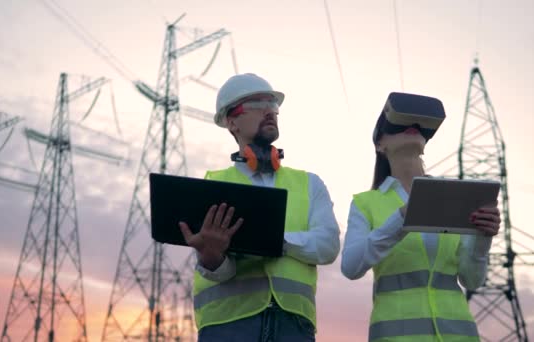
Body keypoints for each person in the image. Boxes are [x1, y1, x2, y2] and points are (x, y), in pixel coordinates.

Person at [178, 73, 341, 341]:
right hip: (227, 326)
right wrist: (212, 257)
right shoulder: (213, 185)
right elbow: (220, 271)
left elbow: (328, 246)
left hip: (293, 326)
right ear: (232, 122)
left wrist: (273, 241)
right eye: (256, 105)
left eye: (272, 105)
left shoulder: (309, 184)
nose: (269, 112)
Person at [340, 92, 501, 341]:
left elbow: (472, 280)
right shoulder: (365, 204)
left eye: (419, 127)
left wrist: (482, 238)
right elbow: (351, 267)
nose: (412, 128)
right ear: (380, 144)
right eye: (400, 124)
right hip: (396, 335)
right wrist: (401, 219)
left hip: (458, 334)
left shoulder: (453, 196)